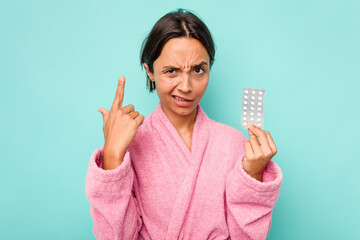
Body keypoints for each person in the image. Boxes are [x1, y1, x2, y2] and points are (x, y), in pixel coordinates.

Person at [85, 8, 283, 240]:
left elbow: (247, 237)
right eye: (171, 71)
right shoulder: (129, 146)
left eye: (198, 70)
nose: (186, 86)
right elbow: (115, 237)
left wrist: (253, 175)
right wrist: (112, 157)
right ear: (150, 71)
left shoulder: (236, 145)